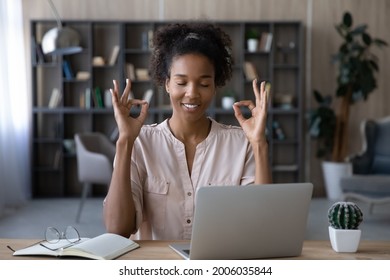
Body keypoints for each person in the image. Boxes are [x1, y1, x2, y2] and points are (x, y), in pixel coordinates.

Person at [103, 22, 271, 240]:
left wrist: (259, 143)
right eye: (181, 82)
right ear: (167, 84)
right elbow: (118, 229)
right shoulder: (140, 142)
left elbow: (262, 225)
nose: (192, 94)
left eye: (203, 84)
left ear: (215, 86)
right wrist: (125, 141)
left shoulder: (241, 143)